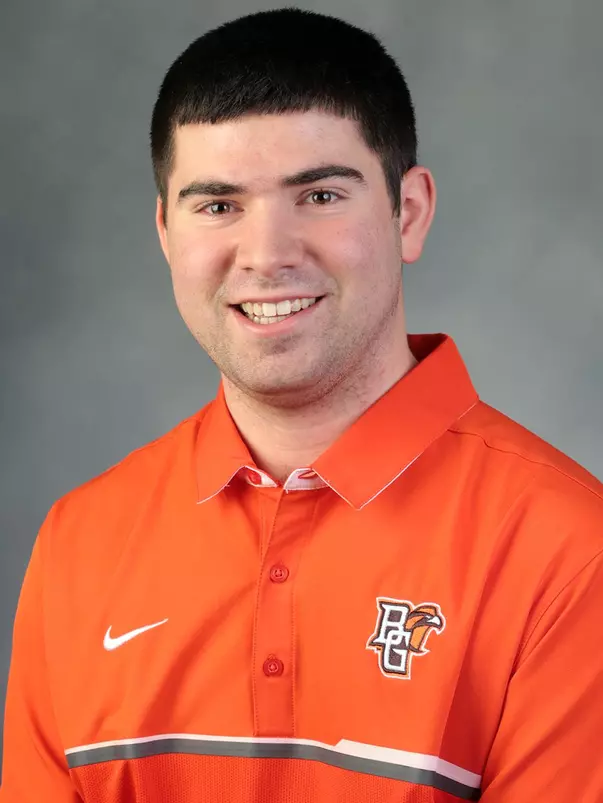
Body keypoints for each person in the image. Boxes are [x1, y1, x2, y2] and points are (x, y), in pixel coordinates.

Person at [1, 7, 602, 802]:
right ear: (166, 232)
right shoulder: (79, 541)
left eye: (318, 195)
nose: (266, 255)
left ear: (409, 212)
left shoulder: (570, 551)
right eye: (218, 205)